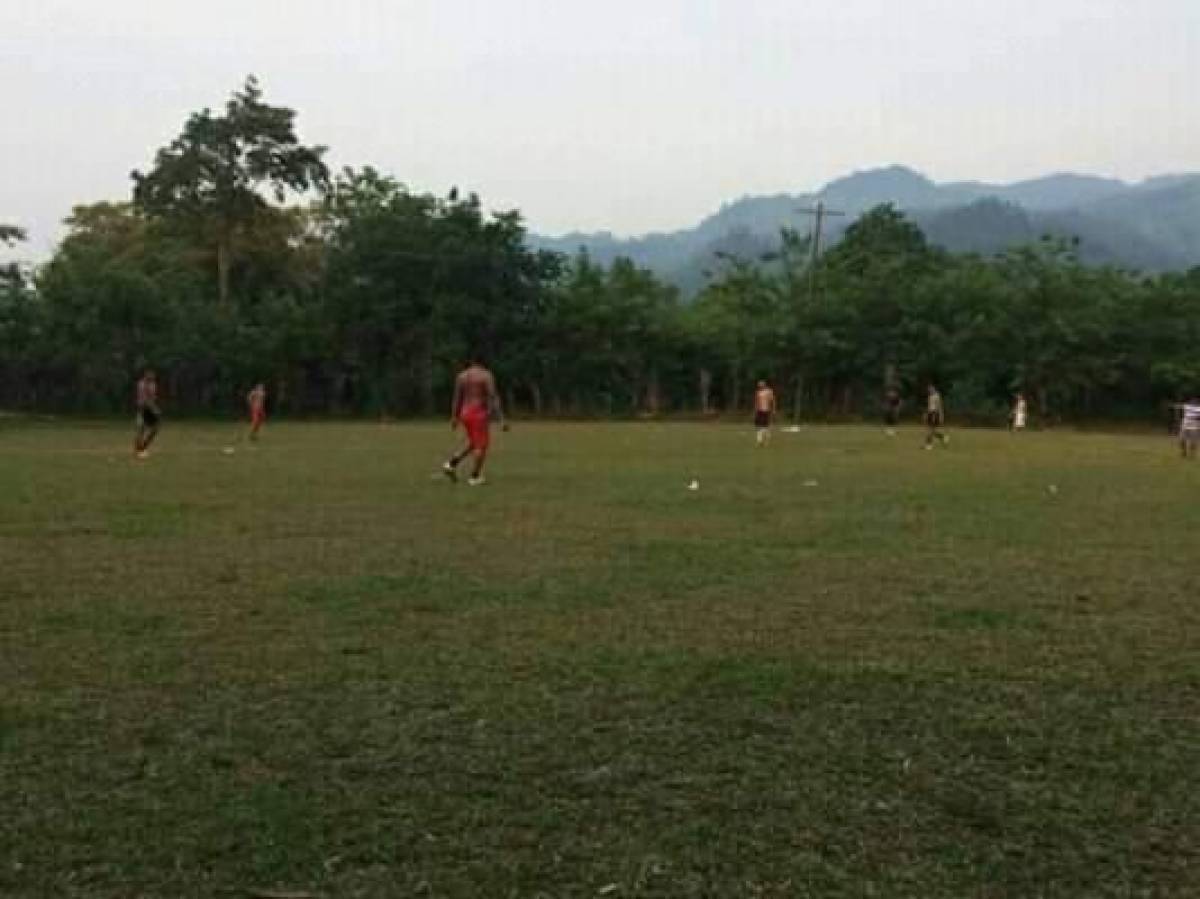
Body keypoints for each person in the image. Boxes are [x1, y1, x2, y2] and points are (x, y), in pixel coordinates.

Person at [443, 356, 507, 485]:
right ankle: (475, 476)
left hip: (464, 413)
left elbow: (457, 398)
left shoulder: (462, 376)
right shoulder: (486, 375)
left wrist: (454, 417)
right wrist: (501, 419)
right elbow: (493, 396)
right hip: (478, 413)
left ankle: (451, 464)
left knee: (473, 442)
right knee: (481, 446)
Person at [133, 368, 161, 460]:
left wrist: (154, 407)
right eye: (149, 375)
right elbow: (144, 399)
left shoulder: (153, 385)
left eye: (152, 375)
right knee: (141, 429)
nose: (151, 376)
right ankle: (138, 451)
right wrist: (154, 408)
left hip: (150, 409)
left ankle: (143, 447)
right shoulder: (141, 384)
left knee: (155, 429)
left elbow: (152, 397)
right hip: (142, 409)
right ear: (145, 375)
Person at [924, 383, 948, 449]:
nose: (929, 390)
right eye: (928, 389)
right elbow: (929, 406)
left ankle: (929, 445)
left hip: (935, 413)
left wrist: (940, 415)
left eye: (931, 388)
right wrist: (926, 414)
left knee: (930, 430)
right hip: (930, 413)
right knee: (931, 430)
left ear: (933, 388)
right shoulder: (930, 396)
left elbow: (939, 406)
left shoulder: (937, 396)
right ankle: (943, 437)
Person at [753, 380, 776, 446]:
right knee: (758, 426)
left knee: (766, 426)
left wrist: (773, 409)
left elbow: (772, 400)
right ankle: (759, 441)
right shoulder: (758, 392)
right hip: (759, 410)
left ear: (764, 385)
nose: (760, 386)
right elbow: (756, 401)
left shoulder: (769, 391)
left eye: (761, 385)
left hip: (766, 410)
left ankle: (766, 441)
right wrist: (755, 409)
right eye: (759, 385)